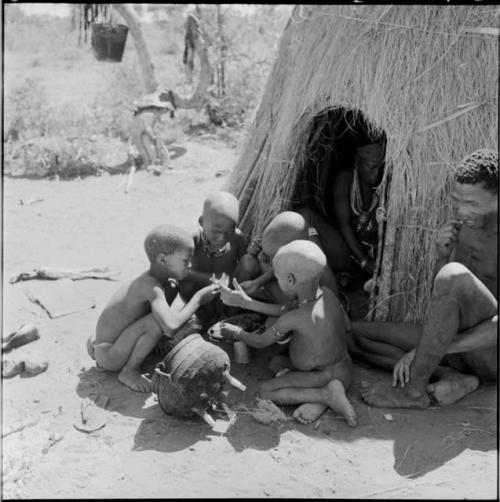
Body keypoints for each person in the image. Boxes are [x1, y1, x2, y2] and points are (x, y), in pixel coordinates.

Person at [353, 149, 498, 408]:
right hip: (453, 344)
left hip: (488, 354)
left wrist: (428, 350)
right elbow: (443, 297)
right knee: (353, 332)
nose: (461, 211)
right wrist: (441, 257)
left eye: (472, 204)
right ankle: (454, 377)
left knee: (454, 275)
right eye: (457, 201)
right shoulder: (464, 227)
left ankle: (414, 392)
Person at [216, 240, 357, 426]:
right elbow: (345, 326)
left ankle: (325, 396)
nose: (275, 279)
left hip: (326, 375)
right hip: (346, 369)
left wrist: (236, 333)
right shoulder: (327, 294)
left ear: (290, 280)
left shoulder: (294, 318)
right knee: (277, 363)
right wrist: (245, 302)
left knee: (263, 392)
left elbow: (260, 342)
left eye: (277, 276)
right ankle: (322, 398)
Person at [87, 224, 220, 393]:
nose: (189, 265)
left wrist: (211, 280)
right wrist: (198, 299)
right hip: (109, 354)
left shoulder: (160, 278)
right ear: (162, 259)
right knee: (157, 323)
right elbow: (170, 327)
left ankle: (154, 341)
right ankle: (129, 371)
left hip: (113, 342)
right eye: (185, 261)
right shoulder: (150, 286)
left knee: (172, 287)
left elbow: (186, 277)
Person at [300, 139, 386, 276]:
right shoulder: (345, 180)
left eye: (380, 167)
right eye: (371, 167)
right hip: (346, 251)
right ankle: (331, 277)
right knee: (306, 215)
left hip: (371, 251)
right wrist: (363, 260)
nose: (376, 173)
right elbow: (344, 225)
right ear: (358, 161)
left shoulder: (382, 184)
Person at [235, 211, 339, 305]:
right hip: (293, 296)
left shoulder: (315, 270)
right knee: (248, 261)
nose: (272, 262)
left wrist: (248, 304)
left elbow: (296, 313)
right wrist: (257, 282)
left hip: (302, 309)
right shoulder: (295, 248)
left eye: (275, 257)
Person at [178, 191, 248, 322]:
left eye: (229, 231)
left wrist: (231, 282)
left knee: (249, 263)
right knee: (183, 282)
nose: (221, 238)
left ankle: (230, 315)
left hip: (227, 292)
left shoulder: (238, 238)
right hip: (202, 292)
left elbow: (244, 266)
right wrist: (207, 278)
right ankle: (200, 316)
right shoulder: (192, 240)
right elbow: (180, 271)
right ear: (201, 221)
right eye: (216, 231)